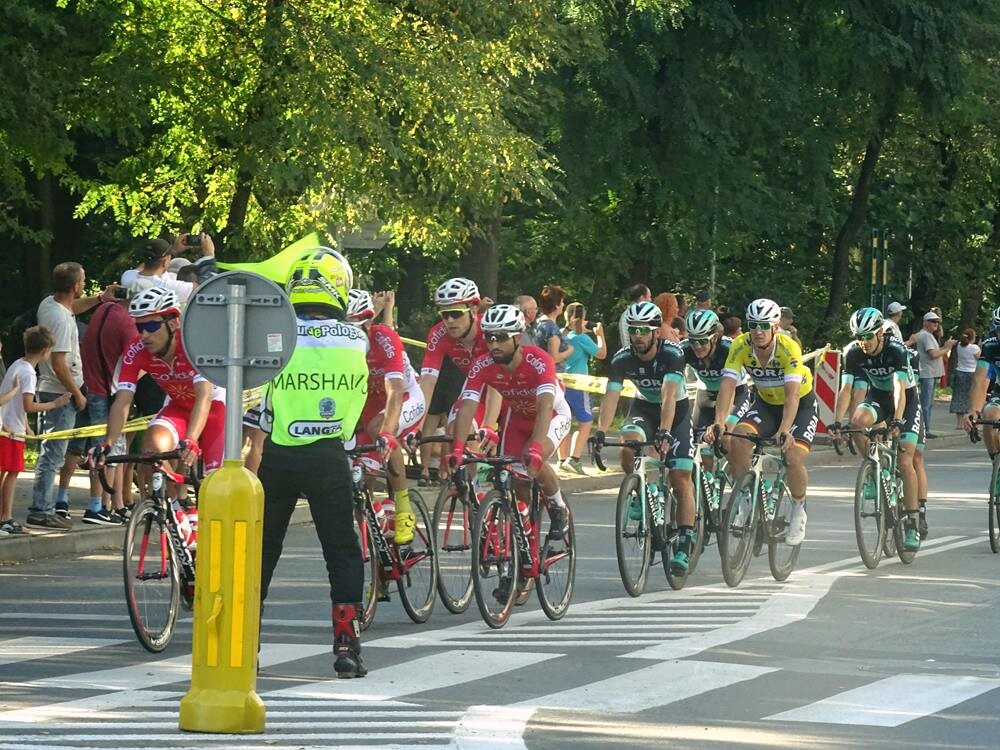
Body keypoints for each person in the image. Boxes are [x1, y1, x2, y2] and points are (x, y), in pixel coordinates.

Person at [257, 247, 370, 679]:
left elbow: (260, 397)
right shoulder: (355, 339)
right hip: (328, 454)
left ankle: (246, 644)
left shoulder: (276, 334)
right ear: (339, 286)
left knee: (263, 552)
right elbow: (356, 399)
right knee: (341, 549)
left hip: (280, 453)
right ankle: (347, 647)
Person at [444, 304, 572, 548]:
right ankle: (524, 548)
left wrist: (535, 446)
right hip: (517, 417)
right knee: (514, 482)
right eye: (489, 338)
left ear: (516, 338)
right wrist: (459, 448)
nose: (494, 344)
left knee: (530, 457)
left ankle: (558, 506)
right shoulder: (482, 365)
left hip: (552, 414)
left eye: (501, 338)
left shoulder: (538, 360)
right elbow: (467, 406)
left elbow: (545, 407)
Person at [97, 287, 227, 511]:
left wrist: (191, 440)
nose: (144, 334)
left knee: (212, 486)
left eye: (151, 326)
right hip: (178, 407)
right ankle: (178, 513)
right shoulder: (136, 350)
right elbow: (122, 402)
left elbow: (204, 397)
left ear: (173, 324)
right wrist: (107, 444)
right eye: (139, 327)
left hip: (215, 408)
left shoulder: (192, 345)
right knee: (152, 448)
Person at [592, 302, 697, 574]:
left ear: (654, 332)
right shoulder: (622, 358)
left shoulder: (672, 354)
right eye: (632, 330)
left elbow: (669, 395)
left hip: (676, 413)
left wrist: (664, 432)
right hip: (643, 410)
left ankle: (685, 541)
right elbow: (612, 395)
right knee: (628, 444)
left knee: (680, 477)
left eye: (642, 330)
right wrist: (601, 431)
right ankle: (638, 489)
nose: (636, 335)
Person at [707, 298, 817, 546]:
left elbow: (791, 395)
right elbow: (727, 386)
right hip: (765, 404)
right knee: (736, 440)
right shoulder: (740, 345)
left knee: (793, 457)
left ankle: (799, 509)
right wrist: (720, 421)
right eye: (753, 324)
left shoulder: (789, 349)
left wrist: (785, 430)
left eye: (763, 325)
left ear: (775, 327)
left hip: (800, 406)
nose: (757, 330)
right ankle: (746, 502)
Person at [28, 262, 117, 529]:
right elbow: (59, 364)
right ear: (76, 286)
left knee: (58, 452)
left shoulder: (51, 304)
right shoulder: (62, 323)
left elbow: (73, 308)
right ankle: (40, 509)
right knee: (53, 454)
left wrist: (101, 298)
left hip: (59, 390)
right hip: (60, 393)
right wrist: (77, 393)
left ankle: (45, 506)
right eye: (83, 281)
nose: (84, 285)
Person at [833, 308, 922, 551]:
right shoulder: (853, 352)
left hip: (906, 399)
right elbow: (846, 390)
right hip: (879, 397)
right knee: (857, 422)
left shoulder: (896, 349)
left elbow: (899, 387)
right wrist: (838, 421)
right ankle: (873, 469)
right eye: (859, 336)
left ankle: (912, 523)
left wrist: (898, 420)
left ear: (880, 333)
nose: (864, 342)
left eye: (868, 336)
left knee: (905, 461)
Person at [346, 288, 426, 544]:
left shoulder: (384, 338)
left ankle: (404, 508)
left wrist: (387, 433)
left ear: (369, 322)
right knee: (361, 480)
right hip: (368, 408)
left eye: (355, 329)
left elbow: (395, 390)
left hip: (404, 398)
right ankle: (378, 529)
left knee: (381, 430)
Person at [76, 292, 138, 525]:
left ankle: (107, 505)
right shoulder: (128, 324)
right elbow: (133, 364)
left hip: (94, 386)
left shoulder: (103, 310)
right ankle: (100, 507)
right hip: (113, 392)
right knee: (110, 450)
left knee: (100, 447)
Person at [681, 308, 750, 507]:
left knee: (727, 439)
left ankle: (744, 492)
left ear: (715, 337)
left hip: (735, 393)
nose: (697, 346)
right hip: (706, 394)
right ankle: (708, 497)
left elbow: (728, 390)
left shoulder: (729, 348)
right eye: (693, 340)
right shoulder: (685, 349)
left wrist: (722, 424)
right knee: (703, 448)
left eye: (703, 341)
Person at [0, 327, 65, 535]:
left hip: (10, 425)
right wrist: (55, 404)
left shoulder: (18, 364)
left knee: (6, 472)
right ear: (45, 350)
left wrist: (27, 426)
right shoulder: (28, 372)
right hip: (11, 430)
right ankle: (6, 517)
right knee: (11, 474)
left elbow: (18, 403)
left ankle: (4, 516)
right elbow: (28, 405)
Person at [558, 302, 606, 474]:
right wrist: (600, 335)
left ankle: (562, 459)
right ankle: (574, 458)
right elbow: (601, 354)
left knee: (564, 422)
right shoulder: (582, 338)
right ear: (583, 318)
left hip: (562, 383)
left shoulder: (562, 335)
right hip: (579, 384)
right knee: (585, 422)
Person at [914, 311, 955, 438]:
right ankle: (925, 429)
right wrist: (947, 348)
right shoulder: (926, 336)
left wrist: (944, 344)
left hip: (929, 372)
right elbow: (933, 354)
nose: (936, 324)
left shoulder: (927, 335)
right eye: (933, 321)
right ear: (925, 322)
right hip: (927, 373)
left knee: (927, 403)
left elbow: (936, 349)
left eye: (938, 322)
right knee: (926, 403)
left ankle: (924, 428)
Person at [535, 285, 573, 372]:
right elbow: (553, 358)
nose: (563, 304)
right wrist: (569, 351)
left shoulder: (539, 322)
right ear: (556, 305)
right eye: (562, 302)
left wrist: (567, 329)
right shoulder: (552, 329)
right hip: (552, 375)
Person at [951, 328, 980, 429]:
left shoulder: (959, 345)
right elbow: (980, 359)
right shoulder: (974, 348)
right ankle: (970, 422)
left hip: (960, 372)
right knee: (971, 397)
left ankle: (958, 423)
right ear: (972, 337)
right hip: (971, 373)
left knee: (959, 397)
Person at [618, 283, 652, 350]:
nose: (651, 300)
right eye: (649, 297)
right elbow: (626, 343)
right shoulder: (626, 317)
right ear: (642, 298)